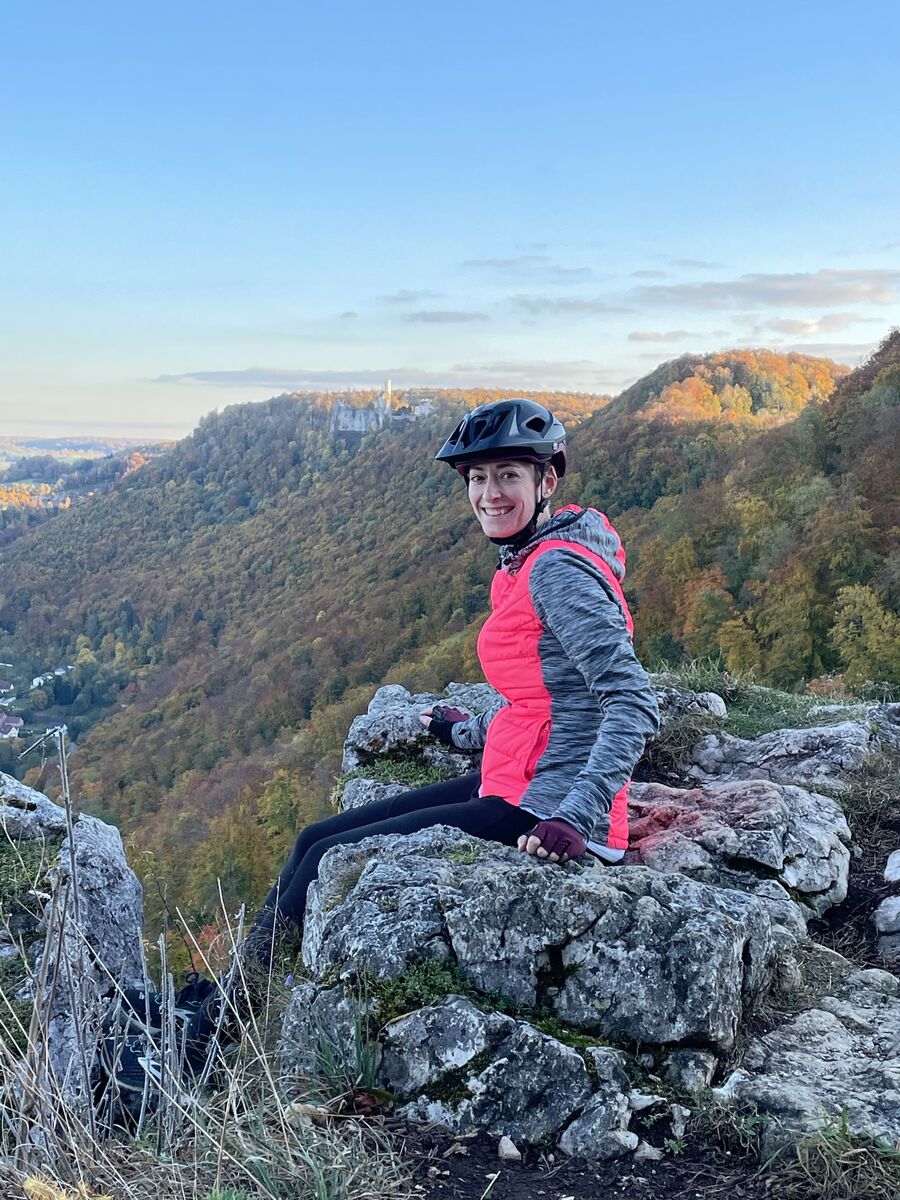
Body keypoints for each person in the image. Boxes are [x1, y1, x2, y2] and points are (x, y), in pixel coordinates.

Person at [181, 398, 658, 1057]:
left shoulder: (555, 570)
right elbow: (547, 695)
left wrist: (574, 818)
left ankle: (208, 1045)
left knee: (323, 861)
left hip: (548, 812)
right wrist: (467, 733)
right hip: (518, 777)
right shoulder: (527, 560)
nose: (489, 493)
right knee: (313, 838)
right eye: (477, 478)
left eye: (508, 475)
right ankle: (221, 1002)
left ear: (547, 480)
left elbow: (631, 701)